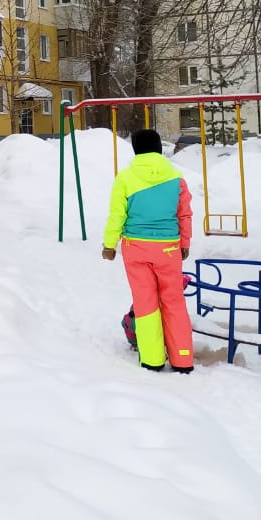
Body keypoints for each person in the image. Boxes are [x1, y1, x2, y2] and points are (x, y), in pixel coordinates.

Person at [102, 128, 195, 373]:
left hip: (137, 248)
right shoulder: (176, 178)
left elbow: (116, 216)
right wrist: (184, 242)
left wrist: (109, 245)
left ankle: (152, 358)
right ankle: (183, 358)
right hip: (169, 248)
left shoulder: (125, 178)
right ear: (158, 148)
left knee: (146, 302)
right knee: (173, 300)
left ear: (135, 149)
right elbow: (184, 214)